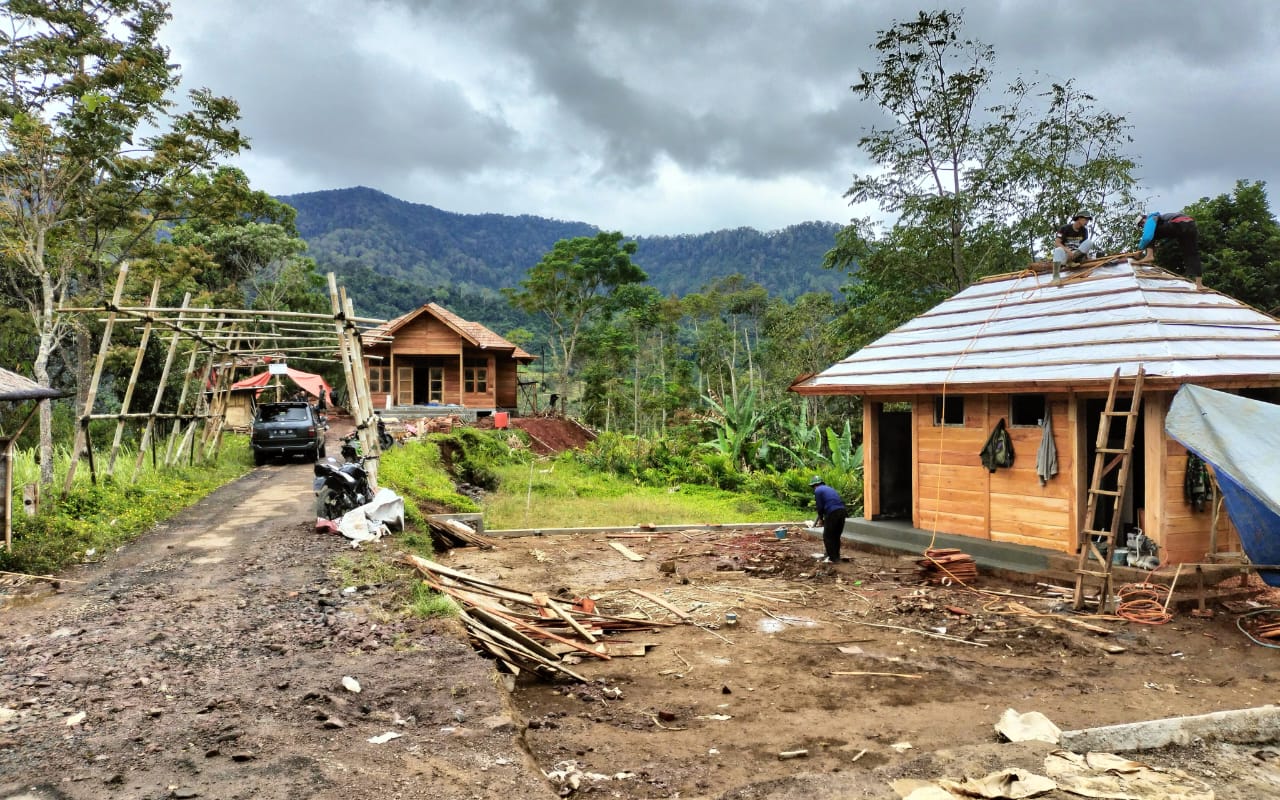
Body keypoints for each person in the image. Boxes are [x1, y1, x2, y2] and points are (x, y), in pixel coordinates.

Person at [1136, 211, 1204, 291]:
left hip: (1178, 223)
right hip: (1190, 224)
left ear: (1144, 219)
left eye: (1141, 224)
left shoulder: (1151, 218)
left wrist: (1139, 250)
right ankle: (1199, 284)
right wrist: (1158, 245)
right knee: (1192, 253)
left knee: (1150, 234)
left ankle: (1149, 255)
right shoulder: (1163, 219)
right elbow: (1169, 235)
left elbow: (1147, 237)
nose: (1142, 226)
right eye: (1141, 226)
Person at [810, 476, 847, 565]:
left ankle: (832, 558)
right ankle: (835, 556)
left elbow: (820, 506)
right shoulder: (829, 489)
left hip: (832, 512)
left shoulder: (817, 490)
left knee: (828, 536)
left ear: (815, 485)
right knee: (836, 536)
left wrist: (821, 519)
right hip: (842, 512)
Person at [1051, 212, 1096, 281]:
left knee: (1089, 242)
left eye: (1088, 220)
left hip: (1076, 255)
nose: (1087, 222)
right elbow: (1057, 243)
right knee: (1058, 250)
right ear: (1079, 218)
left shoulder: (1084, 231)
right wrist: (1068, 251)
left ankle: (1071, 261)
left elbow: (1084, 245)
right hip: (1065, 254)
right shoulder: (1065, 228)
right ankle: (1056, 276)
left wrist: (1088, 257)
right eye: (1085, 219)